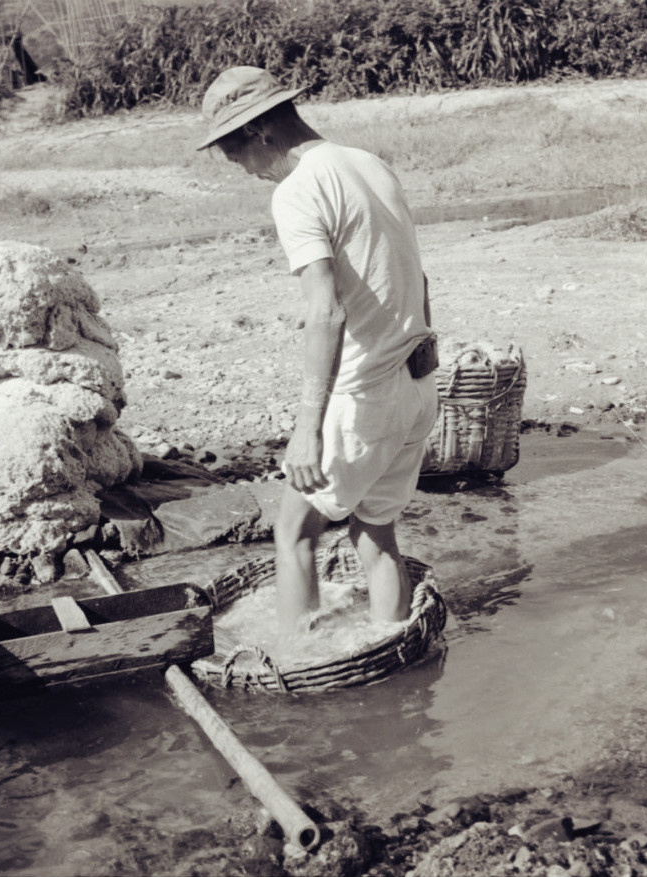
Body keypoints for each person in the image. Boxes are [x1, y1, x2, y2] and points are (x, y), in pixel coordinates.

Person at [197, 66, 439, 635]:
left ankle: (296, 666)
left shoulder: (298, 190)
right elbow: (419, 278)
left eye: (233, 152)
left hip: (364, 401)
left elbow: (325, 311)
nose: (240, 168)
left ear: (258, 133)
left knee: (293, 532)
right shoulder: (368, 163)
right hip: (415, 386)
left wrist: (308, 427)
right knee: (375, 536)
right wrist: (426, 346)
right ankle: (390, 649)